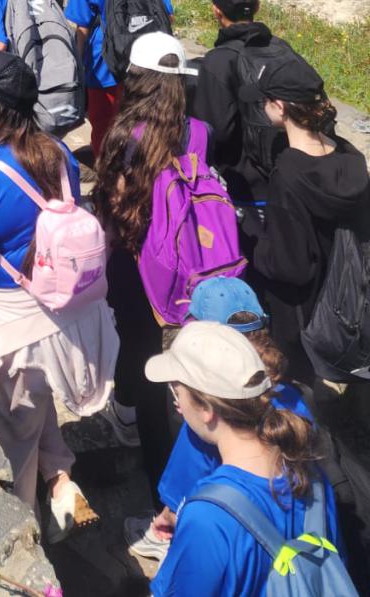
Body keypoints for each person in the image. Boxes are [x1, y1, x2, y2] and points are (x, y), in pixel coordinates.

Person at [0, 50, 117, 540]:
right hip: (63, 316)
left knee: (12, 436)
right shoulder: (58, 152)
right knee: (36, 406)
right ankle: (63, 484)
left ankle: (28, 538)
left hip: (13, 328)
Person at [146, 321, 349, 597]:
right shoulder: (308, 470)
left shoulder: (207, 518)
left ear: (207, 409)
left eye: (176, 391)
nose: (177, 405)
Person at [93, 31, 210, 509]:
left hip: (134, 260)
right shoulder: (199, 130)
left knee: (138, 349)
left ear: (136, 79)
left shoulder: (126, 136)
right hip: (186, 260)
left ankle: (157, 484)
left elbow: (115, 206)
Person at [124, 277, 311, 569]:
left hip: (229, 541)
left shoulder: (209, 424)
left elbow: (181, 491)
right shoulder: (292, 398)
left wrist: (168, 519)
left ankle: (159, 542)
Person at [244, 53, 370, 386]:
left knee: (298, 387)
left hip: (304, 315)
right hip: (346, 297)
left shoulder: (288, 174)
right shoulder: (350, 156)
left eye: (265, 101)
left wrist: (251, 237)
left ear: (281, 107)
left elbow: (291, 267)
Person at [64, 0, 173, 157]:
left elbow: (81, 26)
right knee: (139, 125)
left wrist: (77, 67)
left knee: (104, 127)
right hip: (143, 64)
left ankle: (108, 178)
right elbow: (166, 18)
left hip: (103, 66)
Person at [192, 0, 296, 204]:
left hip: (244, 186)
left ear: (216, 11)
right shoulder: (281, 47)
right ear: (257, 6)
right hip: (286, 173)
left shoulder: (218, 61)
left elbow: (213, 131)